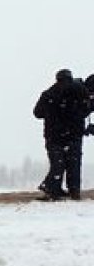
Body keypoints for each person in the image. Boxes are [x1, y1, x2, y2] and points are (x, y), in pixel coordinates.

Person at [33, 69, 90, 200]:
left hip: (54, 135)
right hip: (73, 134)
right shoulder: (79, 91)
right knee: (74, 164)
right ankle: (74, 191)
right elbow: (86, 109)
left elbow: (37, 113)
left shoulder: (48, 94)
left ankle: (52, 189)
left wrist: (52, 109)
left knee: (58, 163)